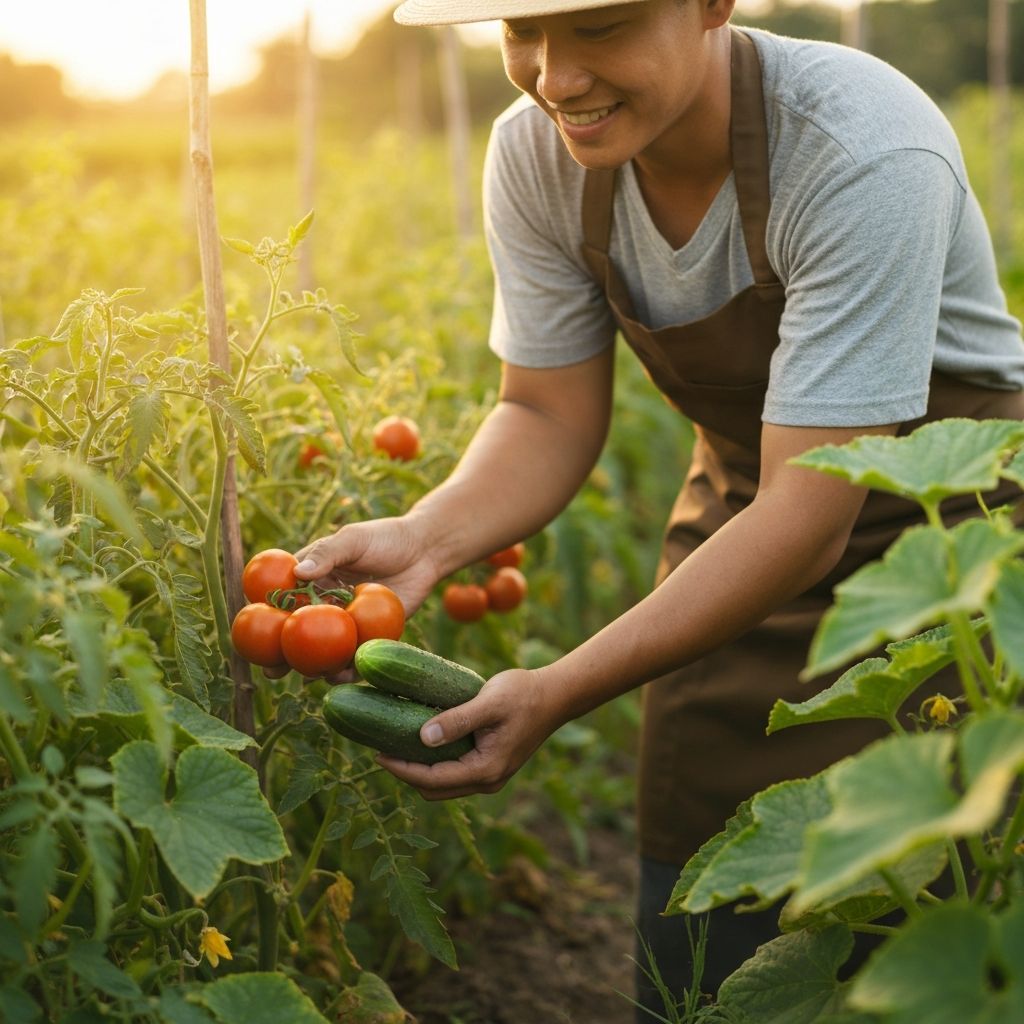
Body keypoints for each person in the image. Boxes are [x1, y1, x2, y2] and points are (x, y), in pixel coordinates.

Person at [291, 0, 1024, 1014]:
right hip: (744, 508)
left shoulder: (857, 146)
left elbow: (810, 515)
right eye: (521, 32)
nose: (553, 77)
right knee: (700, 879)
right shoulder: (538, 155)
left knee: (930, 882)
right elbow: (544, 412)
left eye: (598, 26)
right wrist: (430, 534)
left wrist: (556, 689)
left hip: (958, 536)